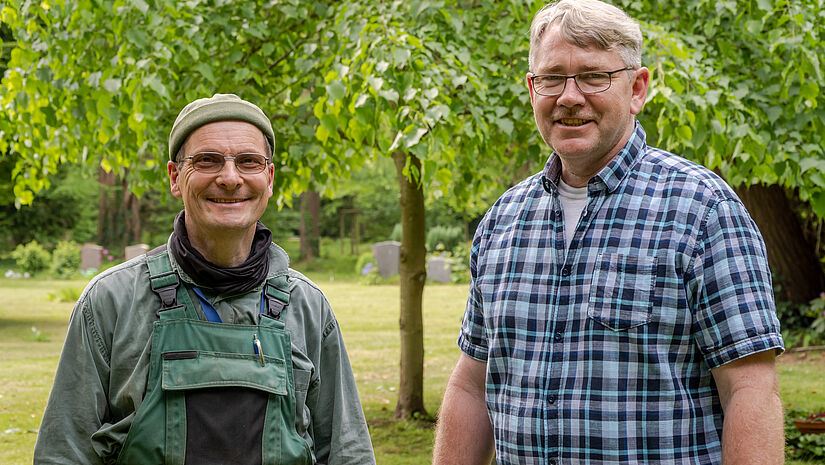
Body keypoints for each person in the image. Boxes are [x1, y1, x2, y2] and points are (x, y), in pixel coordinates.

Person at [432, 1, 785, 464]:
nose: (569, 97)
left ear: (637, 88)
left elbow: (750, 390)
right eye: (552, 78)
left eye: (594, 76)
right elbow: (471, 385)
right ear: (532, 88)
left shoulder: (702, 210)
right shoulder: (503, 220)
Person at [34, 94, 376, 465]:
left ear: (270, 178)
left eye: (248, 162)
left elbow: (348, 454)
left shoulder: (307, 306)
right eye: (207, 161)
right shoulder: (110, 301)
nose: (230, 178)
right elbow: (63, 454)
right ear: (175, 178)